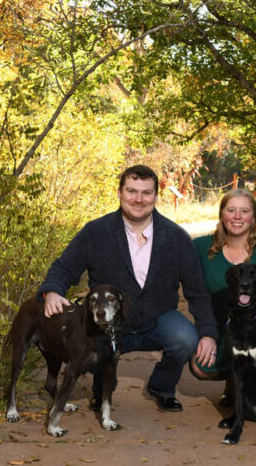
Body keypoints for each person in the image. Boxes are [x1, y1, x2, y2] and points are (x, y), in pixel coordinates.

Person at [37, 165, 219, 412]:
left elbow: (197, 291)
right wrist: (52, 291)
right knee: (86, 340)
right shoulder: (96, 232)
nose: (139, 199)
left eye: (146, 193)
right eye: (132, 191)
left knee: (185, 338)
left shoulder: (175, 237)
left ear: (156, 196)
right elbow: (64, 267)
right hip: (108, 323)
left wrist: (208, 332)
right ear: (120, 193)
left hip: (158, 320)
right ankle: (102, 389)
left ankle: (162, 387)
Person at [190, 189, 256, 406]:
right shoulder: (201, 248)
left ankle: (252, 383)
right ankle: (233, 383)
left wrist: (250, 329)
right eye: (231, 210)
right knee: (200, 365)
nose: (237, 217)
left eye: (244, 211)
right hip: (222, 329)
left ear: (253, 218)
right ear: (222, 214)